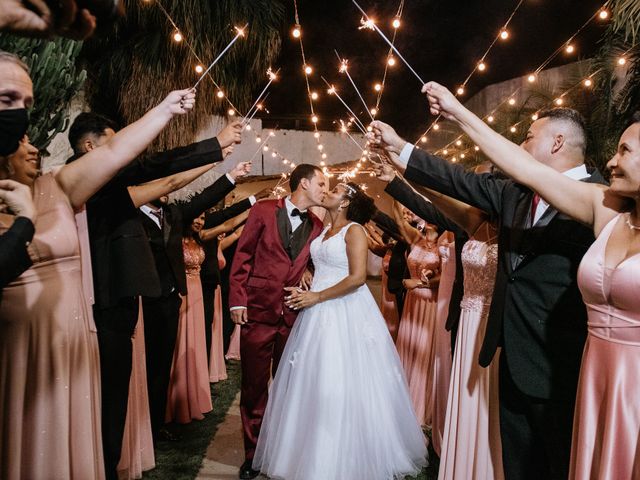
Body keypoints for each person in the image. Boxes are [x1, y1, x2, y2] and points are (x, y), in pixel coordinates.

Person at [370, 96, 605, 479]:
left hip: (563, 367)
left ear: (557, 143)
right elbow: (458, 183)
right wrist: (404, 152)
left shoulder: (602, 199)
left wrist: (456, 110)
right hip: (508, 356)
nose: (522, 146)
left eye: (529, 137)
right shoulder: (515, 193)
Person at [423, 82, 640, 480]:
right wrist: (457, 112)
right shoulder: (604, 208)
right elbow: (522, 168)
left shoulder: (596, 200)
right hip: (588, 373)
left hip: (616, 378)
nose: (611, 161)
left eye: (625, 150)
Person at [0, 58, 195, 479]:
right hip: (16, 351)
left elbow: (113, 151)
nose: (34, 147)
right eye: (22, 141)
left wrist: (164, 109)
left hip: (73, 347)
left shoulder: (60, 185)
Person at [67, 110, 242, 477]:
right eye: (112, 144)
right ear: (89, 147)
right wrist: (213, 146)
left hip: (120, 306)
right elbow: (159, 174)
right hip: (103, 307)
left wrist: (217, 152)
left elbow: (167, 181)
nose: (122, 153)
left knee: (114, 403)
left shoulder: (106, 186)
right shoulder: (86, 184)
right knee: (106, 404)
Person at [253, 182, 428, 480]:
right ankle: (306, 449)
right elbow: (320, 264)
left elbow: (358, 278)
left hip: (343, 309)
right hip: (316, 309)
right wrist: (309, 278)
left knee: (339, 380)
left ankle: (342, 453)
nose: (328, 192)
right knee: (313, 379)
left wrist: (317, 296)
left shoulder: (355, 230)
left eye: (335, 190)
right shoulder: (323, 231)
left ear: (346, 202)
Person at [137, 160, 250, 435]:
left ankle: (156, 423)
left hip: (170, 300)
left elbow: (203, 200)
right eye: (158, 182)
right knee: (144, 366)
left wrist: (231, 176)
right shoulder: (131, 215)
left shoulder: (172, 214)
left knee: (163, 365)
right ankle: (140, 424)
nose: (164, 188)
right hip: (143, 301)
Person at [228, 164, 327, 479]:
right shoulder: (263, 210)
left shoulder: (316, 226)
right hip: (257, 311)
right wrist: (238, 300)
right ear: (303, 183)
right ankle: (253, 455)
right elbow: (242, 256)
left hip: (294, 316)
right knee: (255, 387)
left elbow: (313, 260)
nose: (325, 190)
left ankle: (282, 451)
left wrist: (310, 270)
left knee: (289, 388)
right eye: (321, 184)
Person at [392, 200, 442, 426]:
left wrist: (419, 284)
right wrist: (395, 188)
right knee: (408, 350)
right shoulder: (416, 239)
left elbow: (447, 278)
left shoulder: (446, 244)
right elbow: (398, 220)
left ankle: (420, 406)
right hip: (413, 304)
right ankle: (401, 402)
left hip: (429, 305)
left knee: (423, 353)